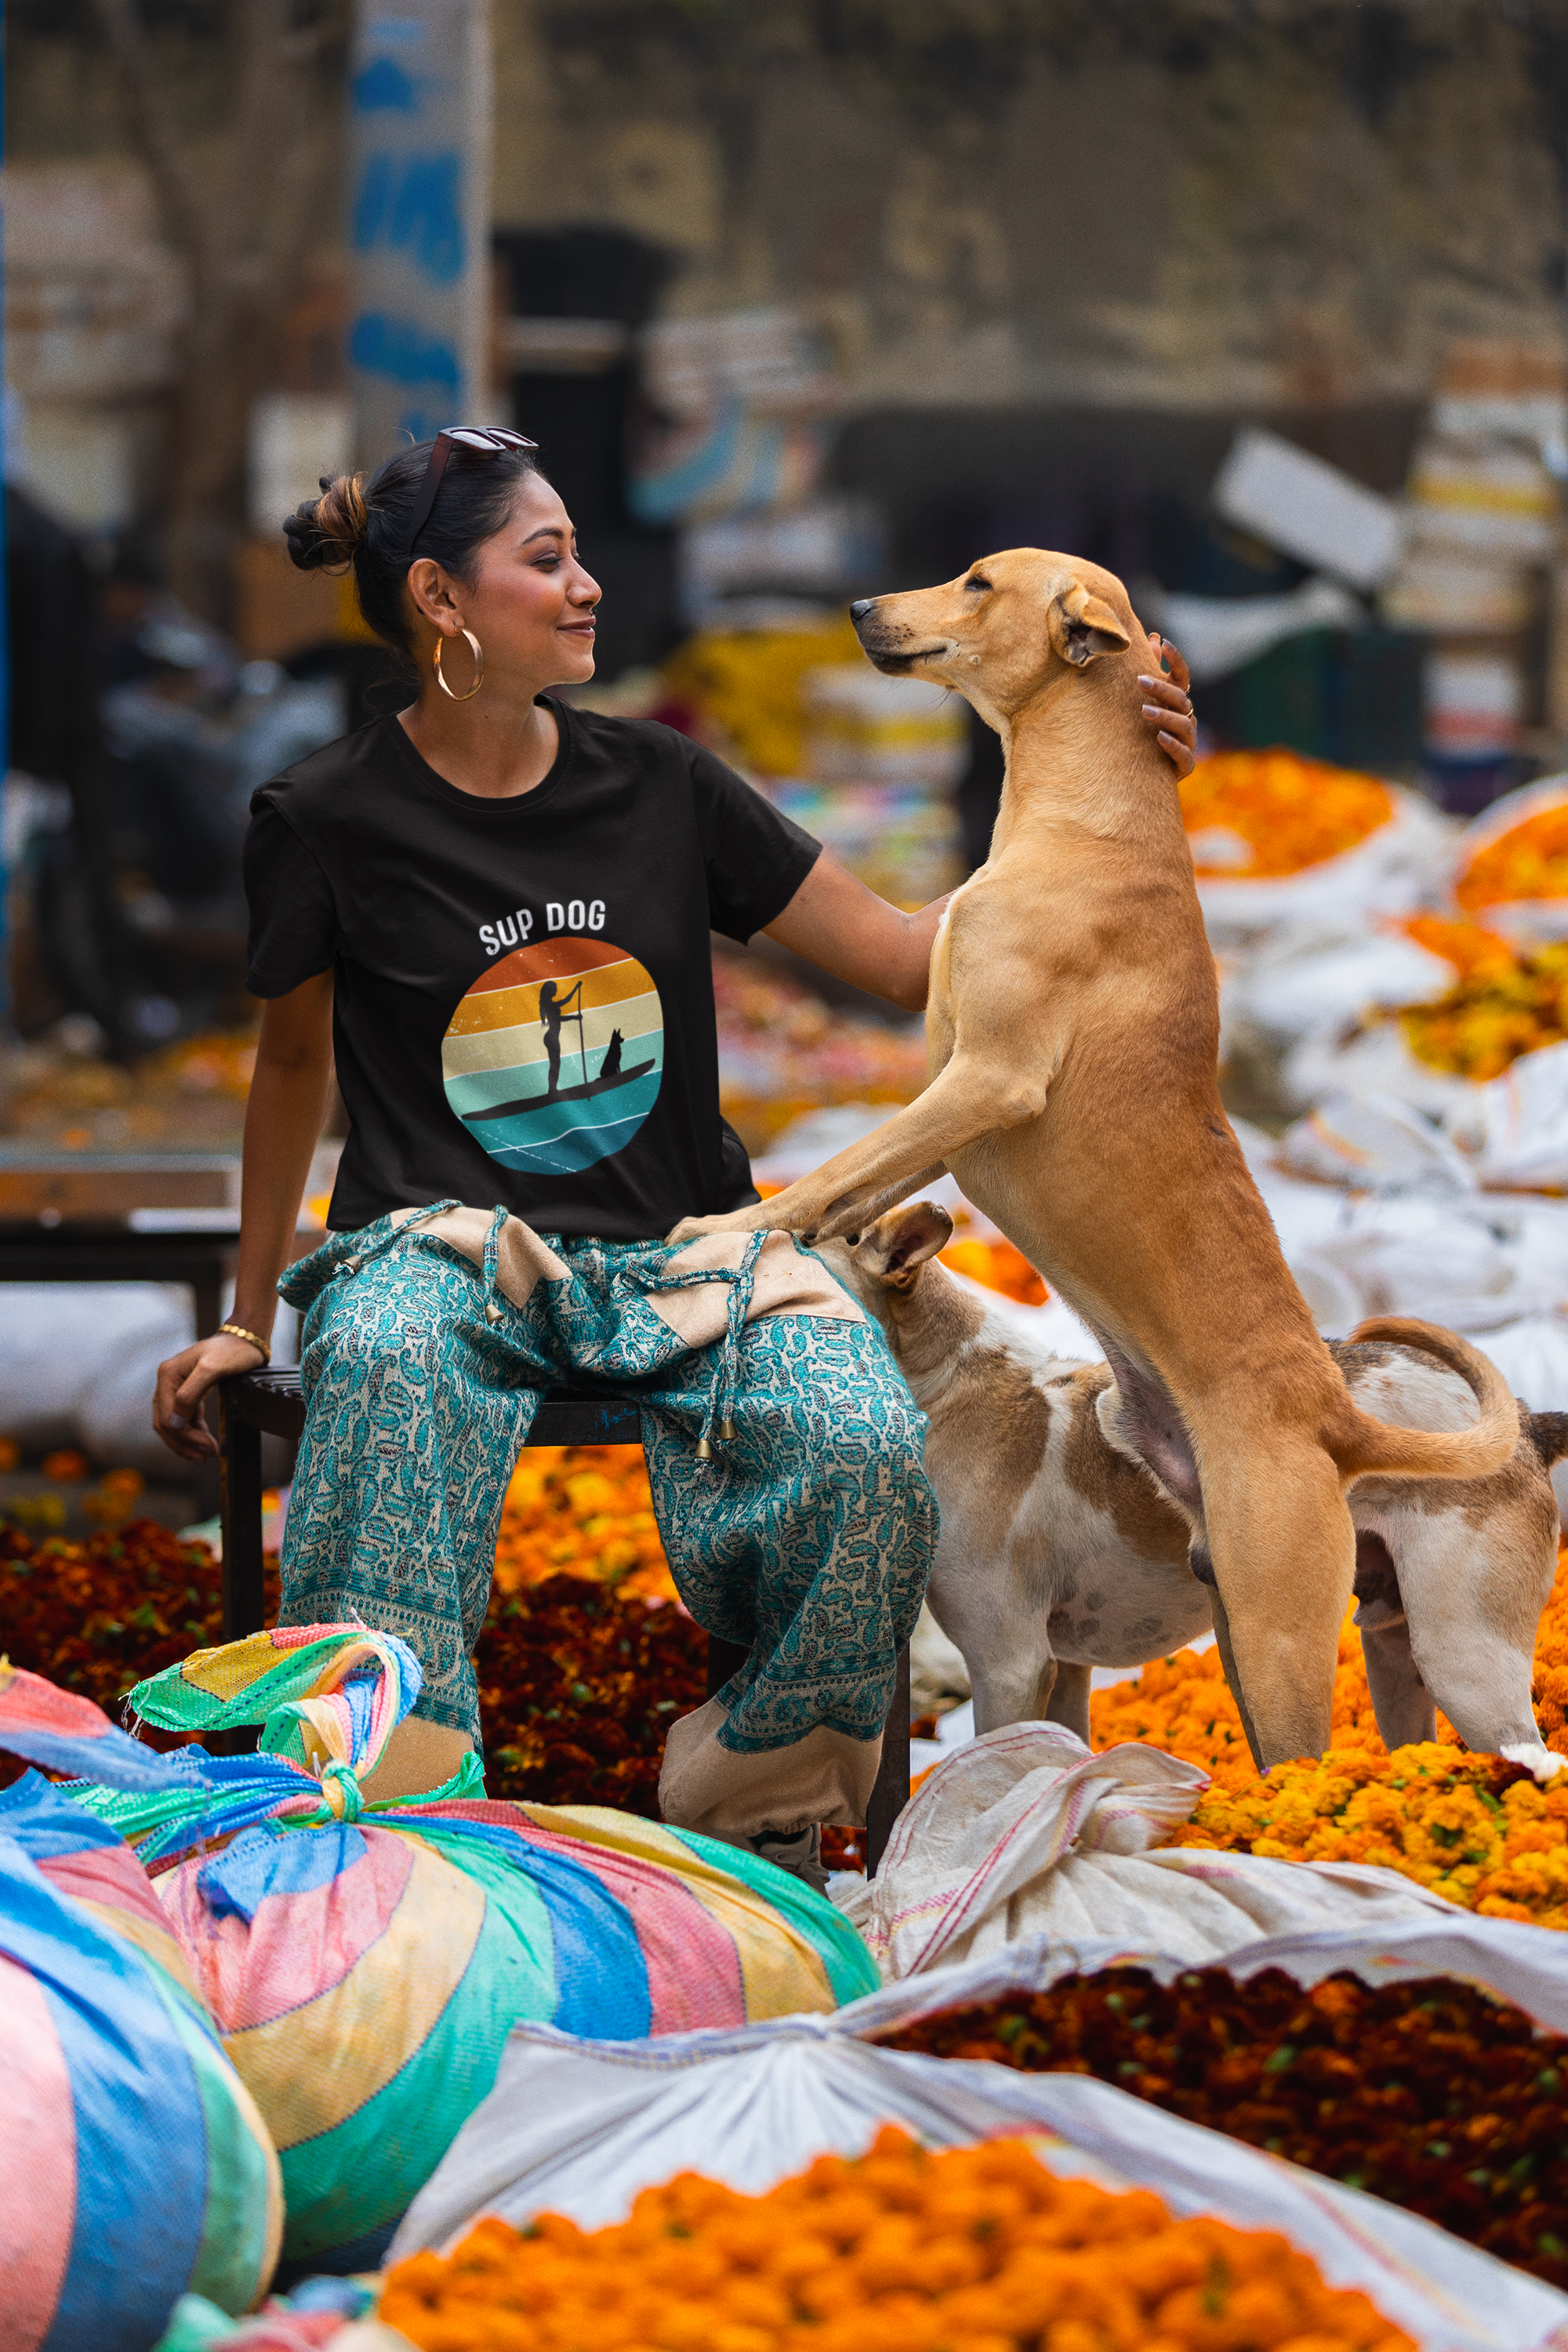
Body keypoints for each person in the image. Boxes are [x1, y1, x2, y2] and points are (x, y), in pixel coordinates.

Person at [151, 427, 1196, 1878]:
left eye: (580, 556)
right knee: (384, 1367)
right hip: (447, 1254)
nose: (587, 589)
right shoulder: (325, 819)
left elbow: (907, 964)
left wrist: (1100, 771)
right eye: (547, 560)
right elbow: (286, 1070)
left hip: (689, 1251)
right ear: (444, 603)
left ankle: (752, 1824)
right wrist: (245, 1319)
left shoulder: (664, 785)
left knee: (860, 1444)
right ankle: (376, 1831)